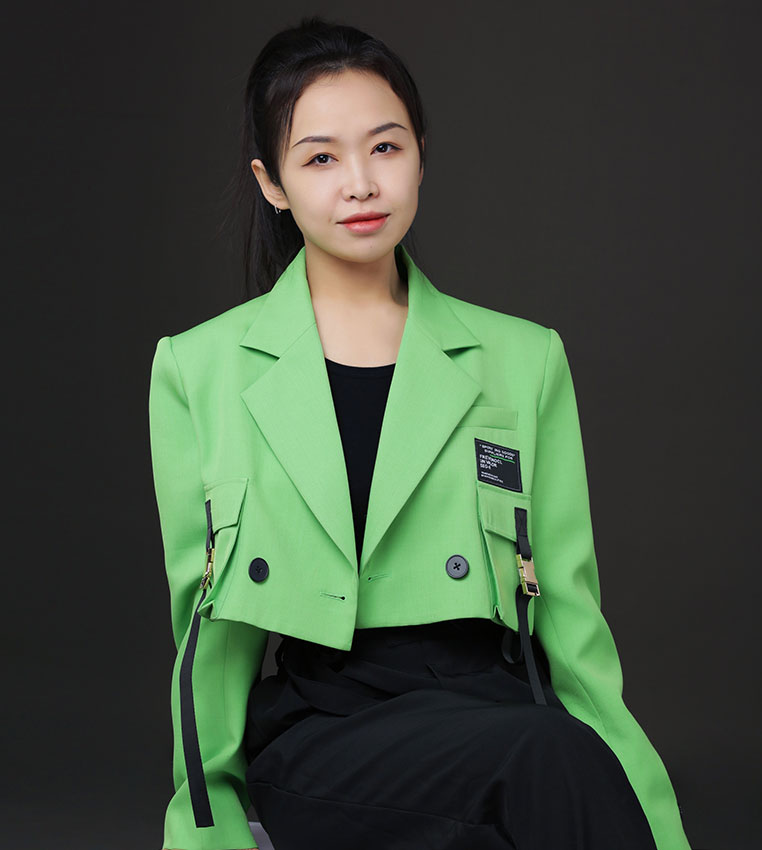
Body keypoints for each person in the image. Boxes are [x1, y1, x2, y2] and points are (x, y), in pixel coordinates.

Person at [148, 15, 692, 850]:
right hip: (325, 733)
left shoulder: (523, 359)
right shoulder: (201, 369)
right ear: (272, 183)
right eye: (321, 158)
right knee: (544, 758)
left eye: (385, 147)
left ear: (421, 155)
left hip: (500, 714)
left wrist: (658, 825)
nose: (361, 184)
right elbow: (207, 649)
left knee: (550, 756)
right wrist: (206, 831)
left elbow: (575, 631)